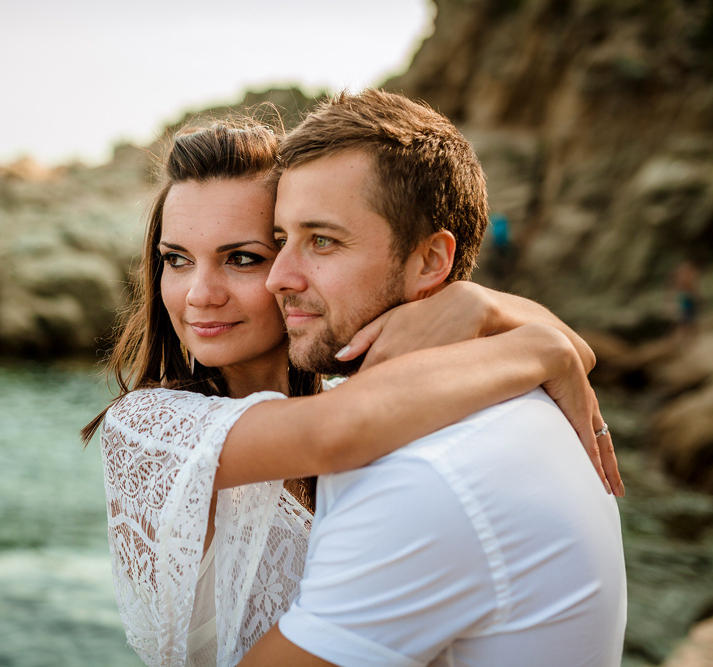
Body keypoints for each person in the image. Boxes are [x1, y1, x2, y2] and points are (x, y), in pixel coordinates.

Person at [82, 121, 619, 667]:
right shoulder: (146, 426)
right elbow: (335, 432)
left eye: (242, 258)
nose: (199, 294)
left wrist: (480, 304)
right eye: (177, 259)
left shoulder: (354, 392)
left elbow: (583, 356)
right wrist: (537, 349)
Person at [239, 90, 627, 666]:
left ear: (430, 262)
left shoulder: (425, 474)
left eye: (322, 240)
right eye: (279, 241)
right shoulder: (503, 393)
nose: (279, 277)